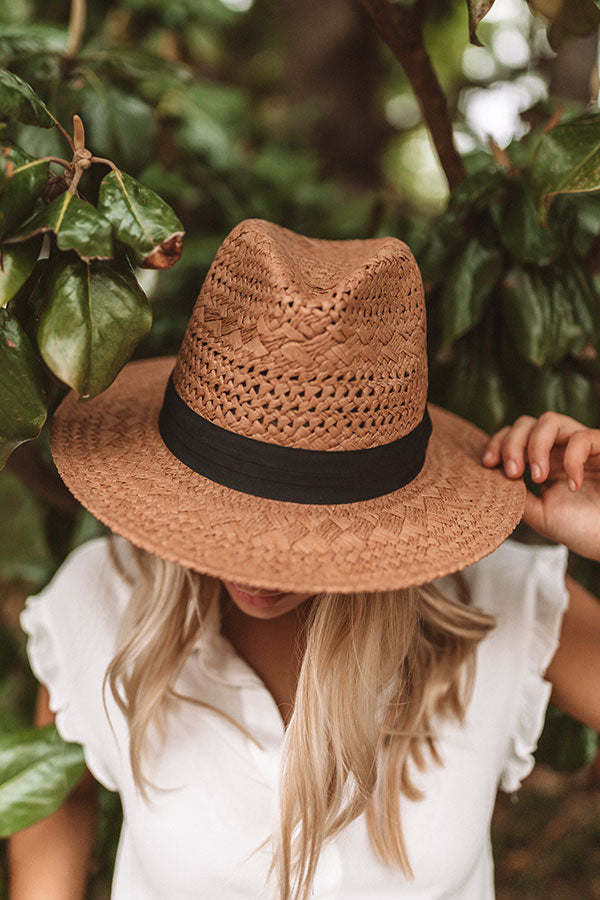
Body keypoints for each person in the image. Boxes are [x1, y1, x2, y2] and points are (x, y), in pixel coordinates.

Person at [7, 218, 600, 900]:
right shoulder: (99, 599)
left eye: (299, 518)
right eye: (231, 516)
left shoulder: (497, 601)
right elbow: (58, 791)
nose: (256, 570)